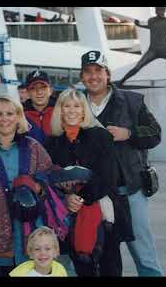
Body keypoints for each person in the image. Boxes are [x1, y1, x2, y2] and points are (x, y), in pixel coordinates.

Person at [81, 50, 163, 276]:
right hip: (94, 194)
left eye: (98, 70)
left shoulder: (132, 100)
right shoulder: (75, 103)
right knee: (99, 254)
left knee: (143, 253)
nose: (93, 76)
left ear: (107, 74)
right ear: (81, 77)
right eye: (88, 72)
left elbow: (155, 134)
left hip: (130, 191)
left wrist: (129, 133)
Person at [0, 95, 53, 277]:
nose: (4, 118)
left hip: (31, 232)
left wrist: (37, 187)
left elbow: (50, 181)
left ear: (18, 116)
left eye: (10, 113)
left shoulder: (33, 147)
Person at [45, 88, 118, 276]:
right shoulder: (52, 143)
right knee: (79, 266)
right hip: (65, 214)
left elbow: (109, 175)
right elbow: (49, 178)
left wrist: (81, 197)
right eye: (66, 106)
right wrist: (67, 197)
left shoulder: (100, 136)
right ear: (59, 111)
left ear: (84, 110)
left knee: (108, 266)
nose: (71, 110)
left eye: (77, 106)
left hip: (99, 209)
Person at [117, 7, 166, 87]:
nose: (162, 12)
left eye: (163, 10)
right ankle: (122, 81)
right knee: (138, 66)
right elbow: (151, 27)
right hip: (153, 50)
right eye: (160, 10)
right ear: (156, 11)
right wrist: (139, 25)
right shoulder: (151, 20)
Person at [23, 70, 56, 145]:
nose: (39, 92)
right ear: (27, 92)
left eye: (43, 88)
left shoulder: (61, 112)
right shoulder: (20, 115)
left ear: (50, 90)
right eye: (33, 88)